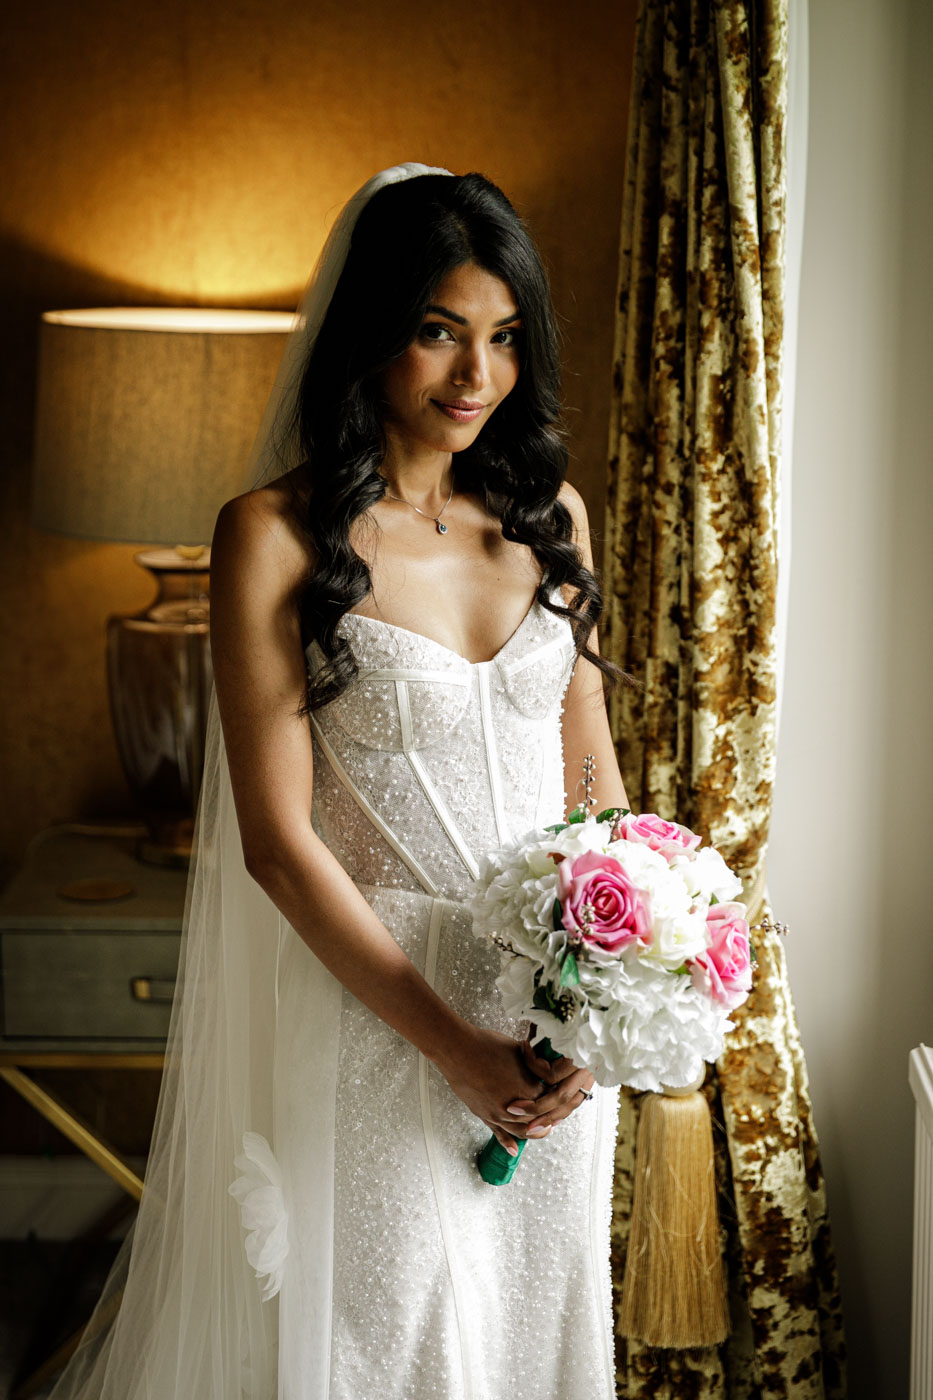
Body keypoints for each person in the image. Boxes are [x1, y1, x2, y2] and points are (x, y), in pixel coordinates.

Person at [48, 164, 631, 1400]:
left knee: (539, 1345)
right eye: (438, 333)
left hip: (547, 1027)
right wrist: (456, 1048)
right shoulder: (272, 533)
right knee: (392, 1353)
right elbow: (276, 843)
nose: (477, 377)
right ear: (371, 332)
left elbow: (597, 786)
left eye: (504, 338)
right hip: (382, 1018)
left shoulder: (550, 517)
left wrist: (607, 999)